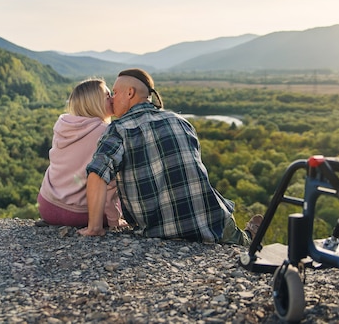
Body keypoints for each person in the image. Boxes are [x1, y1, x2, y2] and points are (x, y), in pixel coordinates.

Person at [78, 68, 261, 245]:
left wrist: (94, 228)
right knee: (241, 242)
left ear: (130, 93)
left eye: (116, 92)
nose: (112, 99)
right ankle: (251, 233)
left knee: (245, 241)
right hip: (211, 219)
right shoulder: (180, 121)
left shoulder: (118, 130)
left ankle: (252, 233)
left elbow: (97, 173)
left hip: (159, 229)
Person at [36, 78, 123, 228]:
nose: (113, 99)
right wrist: (115, 220)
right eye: (108, 97)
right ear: (94, 102)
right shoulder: (105, 132)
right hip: (80, 214)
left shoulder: (62, 125)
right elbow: (109, 184)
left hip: (47, 206)